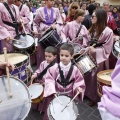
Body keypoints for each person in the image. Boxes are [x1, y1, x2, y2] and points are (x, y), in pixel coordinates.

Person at [43, 43, 86, 120]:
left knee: (67, 112)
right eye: (62, 55)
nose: (63, 58)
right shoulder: (54, 68)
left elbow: (78, 81)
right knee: (55, 112)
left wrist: (78, 88)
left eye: (66, 56)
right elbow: (49, 80)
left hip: (69, 95)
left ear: (72, 56)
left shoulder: (75, 69)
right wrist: (52, 90)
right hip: (57, 94)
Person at [84, 9, 113, 106]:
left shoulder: (108, 31)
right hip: (90, 55)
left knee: (94, 77)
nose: (91, 18)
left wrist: (95, 50)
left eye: (93, 16)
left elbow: (107, 49)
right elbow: (87, 41)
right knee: (87, 74)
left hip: (100, 58)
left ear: (99, 18)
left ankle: (94, 97)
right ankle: (87, 93)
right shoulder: (93, 28)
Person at [33, 0, 63, 67]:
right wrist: (35, 30)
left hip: (53, 35)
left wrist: (56, 26)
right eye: (51, 0)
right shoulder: (39, 10)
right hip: (43, 35)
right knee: (42, 55)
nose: (52, 2)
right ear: (46, 1)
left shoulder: (56, 10)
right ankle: (42, 73)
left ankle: (54, 72)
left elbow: (60, 22)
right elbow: (35, 23)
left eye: (53, 1)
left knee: (54, 53)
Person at [31, 46, 57, 110]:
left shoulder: (56, 67)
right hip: (41, 82)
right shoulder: (43, 63)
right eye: (46, 56)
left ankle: (44, 109)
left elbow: (56, 78)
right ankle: (38, 107)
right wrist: (35, 74)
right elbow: (39, 70)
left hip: (48, 85)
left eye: (49, 56)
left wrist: (48, 83)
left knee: (47, 99)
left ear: (55, 56)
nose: (47, 58)